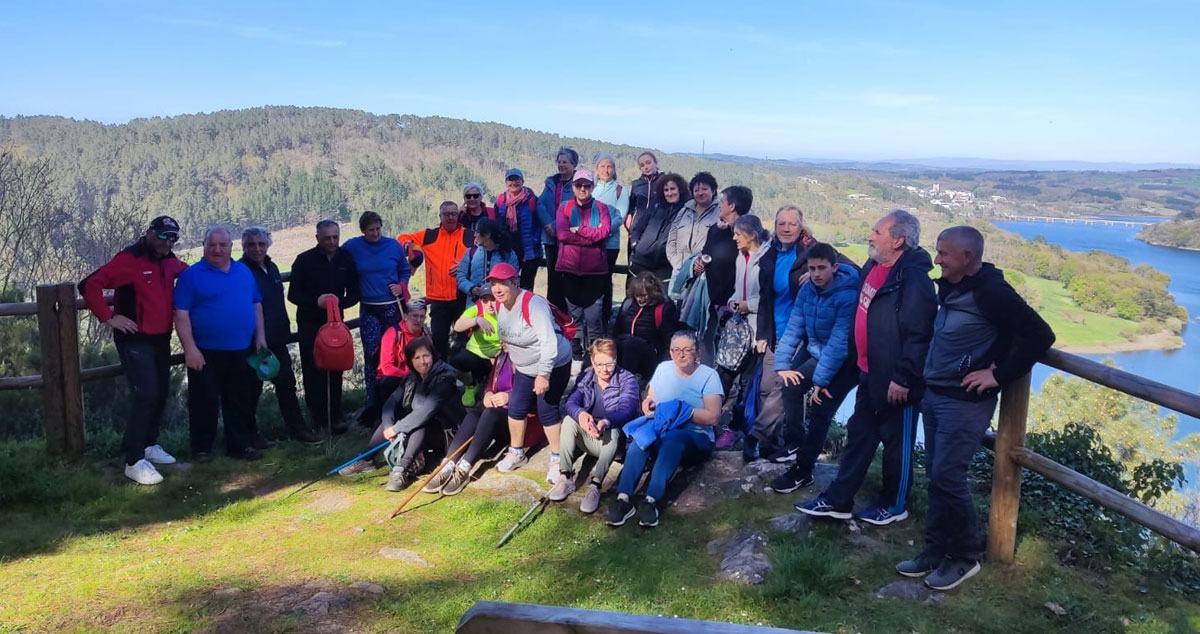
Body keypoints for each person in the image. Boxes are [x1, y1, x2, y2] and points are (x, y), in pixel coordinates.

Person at [896, 226, 1054, 591]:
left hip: (964, 402)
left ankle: (966, 557)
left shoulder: (992, 291)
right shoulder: (954, 286)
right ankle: (935, 551)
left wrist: (998, 374)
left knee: (949, 476)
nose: (937, 260)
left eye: (943, 254)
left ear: (967, 258)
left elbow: (1040, 335)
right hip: (937, 394)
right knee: (937, 477)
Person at [795, 210, 937, 527]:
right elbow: (856, 289)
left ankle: (895, 504)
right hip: (869, 373)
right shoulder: (874, 265)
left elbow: (919, 335)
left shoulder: (913, 281)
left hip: (897, 381)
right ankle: (838, 500)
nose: (870, 236)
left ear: (898, 240)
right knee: (859, 436)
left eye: (877, 231)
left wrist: (903, 379)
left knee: (896, 446)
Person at [79, 215, 189, 485]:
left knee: (161, 392)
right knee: (146, 395)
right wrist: (108, 317)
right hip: (134, 339)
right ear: (149, 233)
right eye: (163, 236)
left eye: (173, 237)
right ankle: (133, 460)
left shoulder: (169, 260)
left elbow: (190, 273)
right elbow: (89, 285)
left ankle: (149, 445)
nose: (168, 242)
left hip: (161, 338)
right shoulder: (129, 259)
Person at [766, 243, 862, 493]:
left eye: (822, 268)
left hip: (843, 361)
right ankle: (795, 441)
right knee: (790, 385)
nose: (817, 274)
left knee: (821, 411)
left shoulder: (848, 295)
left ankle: (803, 470)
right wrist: (782, 365)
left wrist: (820, 381)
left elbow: (840, 343)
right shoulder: (808, 290)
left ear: (835, 267)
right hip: (816, 349)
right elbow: (795, 327)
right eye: (812, 268)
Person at [607, 331, 723, 528]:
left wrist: (682, 411)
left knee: (674, 439)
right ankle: (624, 498)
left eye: (687, 350)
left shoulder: (709, 376)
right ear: (670, 352)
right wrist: (649, 403)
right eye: (676, 350)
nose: (681, 354)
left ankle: (652, 500)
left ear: (697, 354)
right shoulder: (663, 369)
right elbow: (650, 396)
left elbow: (713, 417)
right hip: (661, 427)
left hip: (696, 435)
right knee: (641, 440)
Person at [174, 226, 267, 463]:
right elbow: (181, 314)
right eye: (211, 245)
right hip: (205, 351)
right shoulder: (191, 276)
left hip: (241, 348)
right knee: (204, 400)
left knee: (239, 400)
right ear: (204, 246)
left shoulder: (244, 272)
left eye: (222, 245)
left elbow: (256, 305)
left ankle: (239, 445)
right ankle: (201, 449)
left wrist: (260, 337)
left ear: (230, 247)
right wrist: (190, 349)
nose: (217, 249)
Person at [488, 263, 574, 483]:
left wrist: (543, 374)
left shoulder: (533, 304)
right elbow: (508, 337)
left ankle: (558, 460)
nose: (497, 289)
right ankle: (516, 452)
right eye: (493, 284)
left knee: (547, 409)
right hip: (525, 367)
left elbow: (548, 342)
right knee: (516, 407)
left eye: (503, 284)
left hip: (553, 364)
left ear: (515, 283)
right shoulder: (499, 306)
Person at [342, 337, 465, 492]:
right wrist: (389, 426)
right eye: (417, 358)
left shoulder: (445, 378)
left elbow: (426, 411)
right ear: (411, 361)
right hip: (424, 429)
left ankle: (401, 469)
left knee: (419, 421)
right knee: (399, 415)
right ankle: (366, 459)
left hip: (446, 433)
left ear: (433, 355)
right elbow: (390, 403)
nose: (423, 361)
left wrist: (397, 428)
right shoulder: (411, 378)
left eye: (426, 356)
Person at [239, 226, 320, 446]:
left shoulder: (272, 267)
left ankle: (297, 429)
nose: (257, 248)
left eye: (261, 244)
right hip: (253, 342)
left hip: (277, 337)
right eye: (251, 245)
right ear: (243, 247)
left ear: (267, 245)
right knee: (251, 389)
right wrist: (257, 337)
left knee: (286, 383)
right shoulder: (240, 271)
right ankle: (250, 435)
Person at [548, 338, 640, 513]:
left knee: (613, 432)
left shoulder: (628, 379)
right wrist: (581, 415)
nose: (604, 369)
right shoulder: (586, 376)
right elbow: (571, 402)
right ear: (592, 361)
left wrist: (606, 422)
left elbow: (627, 409)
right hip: (590, 437)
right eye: (599, 364)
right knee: (568, 420)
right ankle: (565, 476)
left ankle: (596, 484)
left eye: (609, 364)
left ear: (616, 359)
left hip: (614, 442)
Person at [288, 219, 360, 435]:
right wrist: (316, 301)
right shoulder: (304, 260)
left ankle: (335, 416)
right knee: (312, 369)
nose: (332, 241)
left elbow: (355, 292)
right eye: (327, 237)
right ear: (317, 238)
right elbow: (293, 295)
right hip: (310, 323)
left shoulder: (346, 258)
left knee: (336, 367)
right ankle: (318, 419)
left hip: (335, 324)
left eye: (335, 237)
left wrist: (339, 302)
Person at [753, 206, 812, 460]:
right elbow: (766, 299)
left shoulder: (811, 251)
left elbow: (848, 268)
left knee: (782, 387)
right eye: (781, 224)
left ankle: (757, 436)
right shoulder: (770, 255)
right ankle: (772, 446)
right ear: (775, 227)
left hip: (800, 334)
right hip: (773, 332)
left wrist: (817, 272)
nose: (786, 229)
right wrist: (762, 334)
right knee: (767, 388)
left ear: (801, 227)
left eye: (792, 224)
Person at [342, 211, 412, 424]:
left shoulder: (392, 246)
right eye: (371, 230)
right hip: (369, 308)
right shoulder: (353, 246)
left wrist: (401, 286)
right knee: (372, 355)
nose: (375, 233)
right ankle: (372, 404)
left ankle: (398, 401)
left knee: (395, 353)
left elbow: (404, 269)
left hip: (392, 307)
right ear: (363, 230)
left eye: (378, 229)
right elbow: (336, 257)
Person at [423, 347, 517, 496]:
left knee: (489, 414)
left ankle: (465, 467)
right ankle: (447, 464)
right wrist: (488, 394)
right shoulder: (502, 356)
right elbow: (491, 384)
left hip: (516, 417)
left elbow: (533, 392)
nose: (502, 343)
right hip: (495, 408)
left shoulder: (528, 357)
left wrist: (510, 397)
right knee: (473, 416)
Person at [714, 214, 769, 454]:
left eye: (738, 234)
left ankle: (738, 428)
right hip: (737, 329)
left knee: (747, 383)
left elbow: (771, 297)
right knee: (723, 374)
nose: (734, 238)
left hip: (757, 330)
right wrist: (734, 301)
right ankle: (709, 421)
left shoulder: (767, 259)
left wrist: (750, 305)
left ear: (752, 235)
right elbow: (739, 289)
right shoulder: (742, 257)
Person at [398, 201, 472, 357]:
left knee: (466, 339)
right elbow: (402, 238)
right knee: (438, 341)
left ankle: (467, 377)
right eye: (446, 214)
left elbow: (480, 257)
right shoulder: (429, 235)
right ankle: (440, 376)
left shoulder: (468, 235)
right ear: (440, 216)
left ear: (458, 215)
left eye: (453, 214)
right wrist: (412, 249)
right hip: (438, 300)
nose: (450, 217)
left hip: (462, 297)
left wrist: (465, 265)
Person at [555, 169, 612, 352]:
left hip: (595, 272)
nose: (582, 188)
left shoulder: (602, 208)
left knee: (594, 320)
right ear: (573, 186)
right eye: (578, 185)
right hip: (570, 270)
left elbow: (604, 233)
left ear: (592, 187)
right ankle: (576, 356)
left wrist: (579, 229)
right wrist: (592, 237)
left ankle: (597, 358)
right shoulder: (565, 207)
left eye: (586, 185)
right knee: (575, 319)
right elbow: (563, 234)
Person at [696, 185, 753, 363]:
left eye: (722, 201)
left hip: (733, 302)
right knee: (704, 339)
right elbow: (706, 252)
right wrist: (699, 263)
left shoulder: (747, 234)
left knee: (733, 346)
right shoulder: (716, 229)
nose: (719, 205)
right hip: (709, 297)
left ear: (732, 206)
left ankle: (732, 388)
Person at [365, 298, 432, 423]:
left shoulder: (425, 334)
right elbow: (387, 368)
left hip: (418, 376)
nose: (418, 320)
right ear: (405, 317)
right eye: (414, 316)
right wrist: (411, 376)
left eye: (422, 316)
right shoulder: (392, 333)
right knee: (388, 382)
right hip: (394, 378)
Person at [537, 147, 580, 311]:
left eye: (565, 162)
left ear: (574, 164)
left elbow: (576, 208)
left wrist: (556, 225)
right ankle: (553, 314)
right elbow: (540, 204)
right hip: (549, 238)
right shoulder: (550, 183)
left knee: (568, 278)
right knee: (552, 277)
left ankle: (568, 316)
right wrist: (548, 224)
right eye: (559, 162)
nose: (561, 165)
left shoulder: (578, 184)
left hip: (568, 239)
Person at [613, 272, 678, 378]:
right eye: (637, 295)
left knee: (630, 345)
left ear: (652, 293)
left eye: (643, 295)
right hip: (625, 348)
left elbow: (669, 339)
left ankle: (625, 381)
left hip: (650, 353)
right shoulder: (628, 304)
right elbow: (616, 330)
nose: (640, 299)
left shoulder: (663, 308)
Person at [629, 172, 688, 282]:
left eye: (673, 189)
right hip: (641, 261)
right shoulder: (656, 205)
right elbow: (639, 227)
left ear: (680, 189)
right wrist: (635, 243)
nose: (670, 193)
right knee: (636, 296)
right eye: (666, 190)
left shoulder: (686, 210)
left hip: (665, 266)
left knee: (661, 298)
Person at [592, 154, 629, 325]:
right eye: (602, 166)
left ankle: (605, 317)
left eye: (609, 167)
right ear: (597, 170)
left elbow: (619, 217)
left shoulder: (620, 190)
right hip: (590, 243)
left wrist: (602, 233)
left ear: (614, 170)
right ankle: (592, 315)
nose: (606, 170)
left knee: (605, 280)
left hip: (610, 244)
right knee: (591, 279)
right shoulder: (591, 188)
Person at [494, 168, 543, 291]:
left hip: (530, 251)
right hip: (508, 250)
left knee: (526, 287)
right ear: (506, 182)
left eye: (517, 179)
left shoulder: (531, 200)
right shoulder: (501, 200)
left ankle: (526, 309)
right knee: (508, 284)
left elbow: (540, 222)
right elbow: (497, 223)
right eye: (510, 180)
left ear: (522, 181)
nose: (514, 183)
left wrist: (535, 240)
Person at [450, 292, 501, 406]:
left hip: (498, 357)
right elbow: (458, 326)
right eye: (485, 300)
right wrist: (477, 320)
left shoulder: (507, 311)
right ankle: (471, 386)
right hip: (476, 353)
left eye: (492, 300)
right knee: (455, 363)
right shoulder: (477, 310)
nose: (489, 304)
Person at [665, 172, 720, 275]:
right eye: (696, 190)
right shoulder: (684, 211)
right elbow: (671, 240)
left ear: (713, 190)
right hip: (679, 270)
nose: (700, 193)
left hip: (706, 272)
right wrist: (677, 264)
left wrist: (703, 263)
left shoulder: (720, 213)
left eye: (704, 189)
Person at [456, 218, 519, 302]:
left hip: (500, 304)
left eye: (477, 232)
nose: (474, 235)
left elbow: (514, 279)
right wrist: (471, 288)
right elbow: (460, 276)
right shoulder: (471, 252)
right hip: (475, 304)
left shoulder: (508, 254)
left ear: (487, 234)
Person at [627, 151, 662, 236]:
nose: (646, 167)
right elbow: (631, 206)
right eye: (642, 165)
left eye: (648, 163)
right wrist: (629, 222)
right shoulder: (636, 184)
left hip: (657, 225)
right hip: (637, 226)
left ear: (655, 163)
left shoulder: (664, 181)